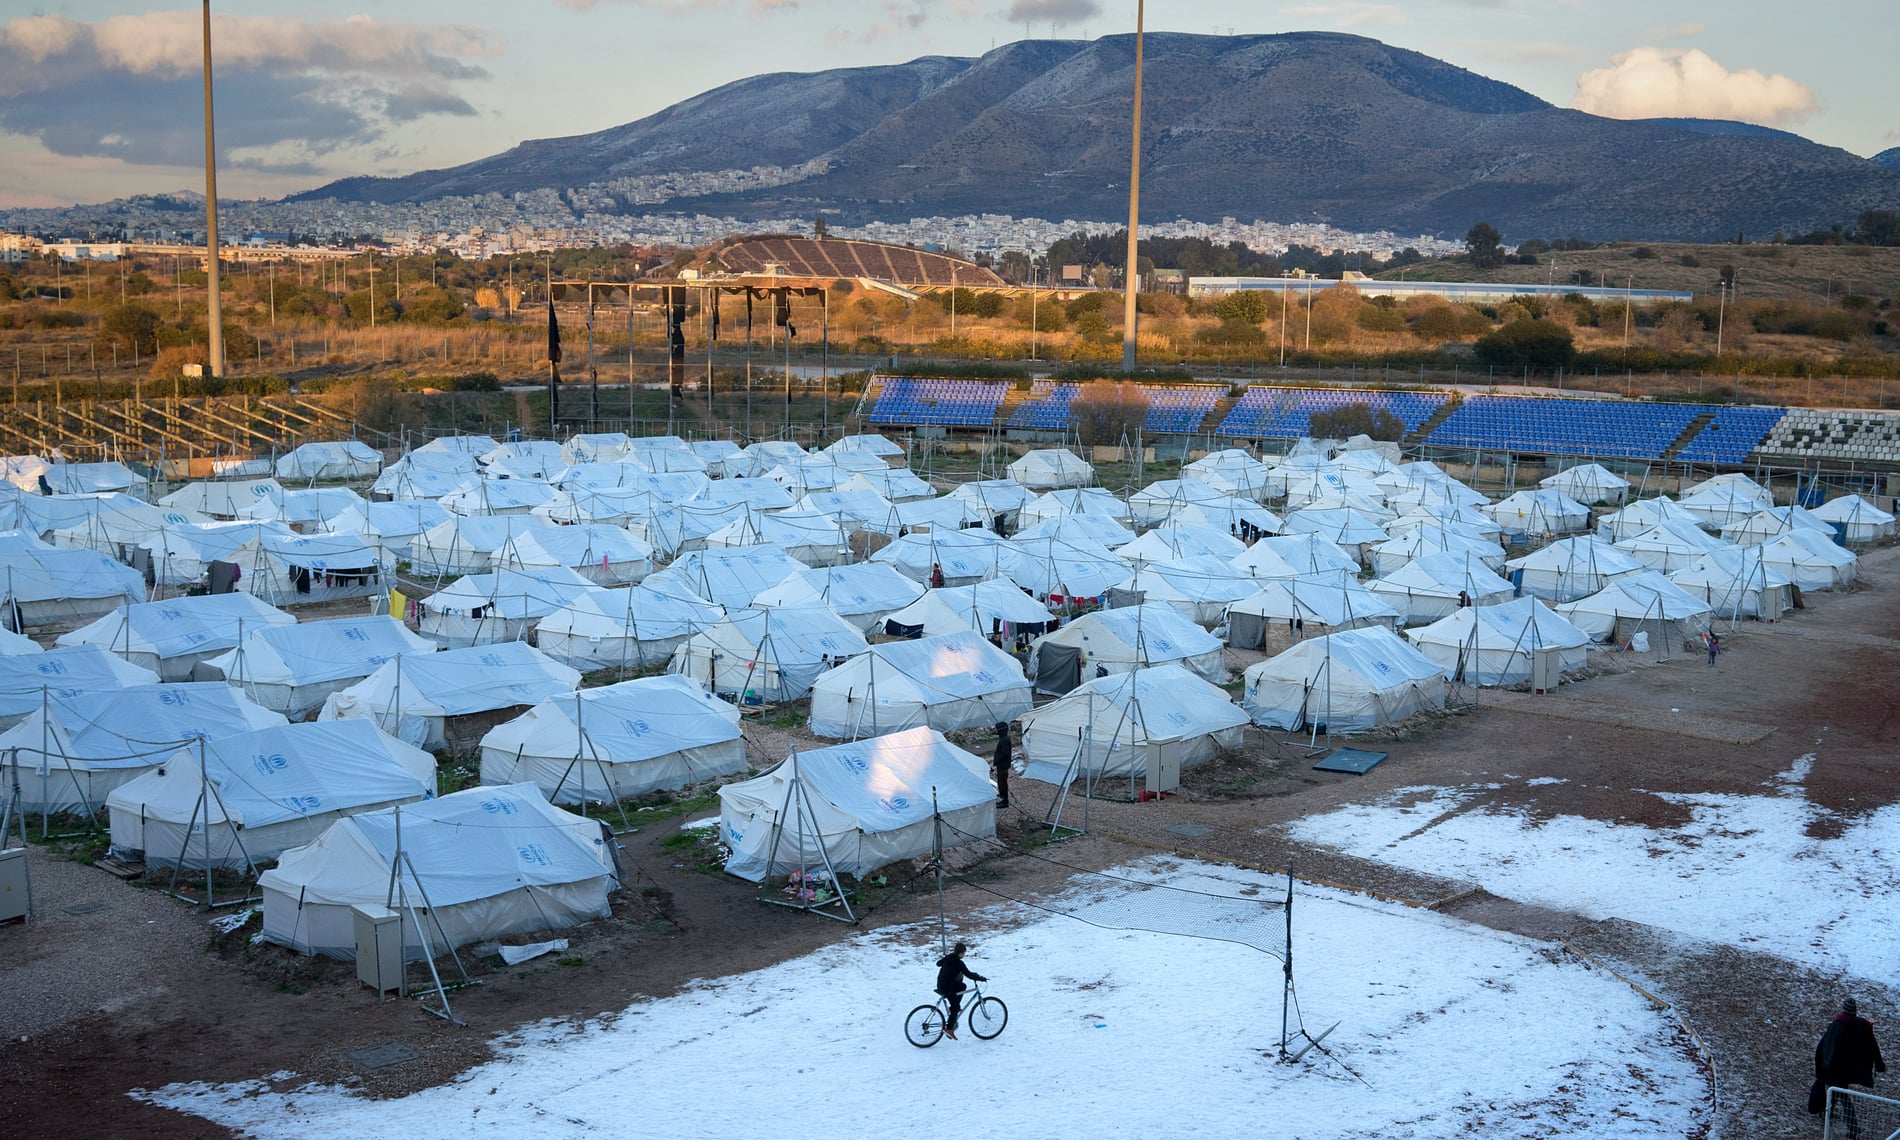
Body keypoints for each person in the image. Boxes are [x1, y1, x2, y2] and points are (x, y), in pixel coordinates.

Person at [1816, 998, 1886, 1128]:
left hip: (1835, 1068)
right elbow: (1873, 1046)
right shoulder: (1862, 1025)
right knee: (1837, 1091)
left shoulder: (1837, 1024)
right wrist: (1879, 1064)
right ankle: (1827, 1113)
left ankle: (1853, 1127)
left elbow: (1824, 1046)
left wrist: (1821, 1067)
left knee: (1841, 1095)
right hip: (1853, 1069)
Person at [934, 941, 986, 1040]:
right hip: (947, 987)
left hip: (941, 984)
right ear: (961, 953)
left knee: (962, 986)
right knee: (955, 1006)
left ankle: (953, 1008)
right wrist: (980, 978)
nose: (964, 955)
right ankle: (949, 1029)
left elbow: (938, 964)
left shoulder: (949, 957)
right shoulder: (959, 963)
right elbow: (968, 974)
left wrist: (946, 962)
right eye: (964, 953)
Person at [992, 721, 1013, 809]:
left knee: (1002, 783)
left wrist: (997, 760)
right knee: (1001, 782)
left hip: (1002, 766)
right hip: (1002, 765)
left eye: (997, 729)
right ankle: (1002, 795)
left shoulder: (1004, 740)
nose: (996, 731)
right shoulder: (1004, 739)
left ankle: (1004, 801)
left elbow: (1005, 753)